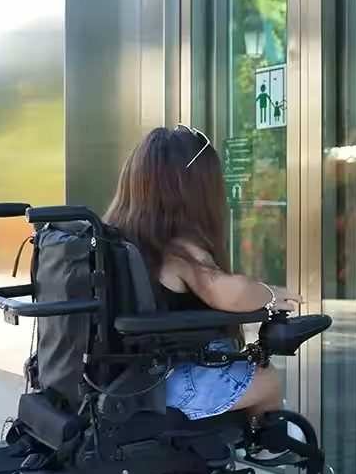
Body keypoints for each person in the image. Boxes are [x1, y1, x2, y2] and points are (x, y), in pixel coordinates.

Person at [105, 125, 300, 421]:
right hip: (171, 383)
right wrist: (270, 294)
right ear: (196, 192)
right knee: (267, 380)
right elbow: (231, 294)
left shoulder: (118, 238)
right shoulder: (179, 250)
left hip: (132, 380)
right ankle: (264, 442)